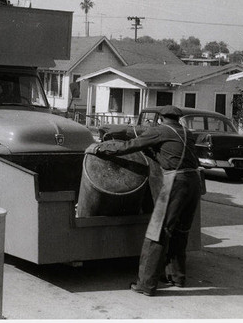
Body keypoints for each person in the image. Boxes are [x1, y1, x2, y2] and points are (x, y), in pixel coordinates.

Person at [86, 105, 201, 296]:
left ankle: (146, 284)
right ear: (177, 118)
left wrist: (101, 148)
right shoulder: (186, 133)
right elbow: (171, 153)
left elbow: (129, 146)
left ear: (161, 118)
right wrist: (153, 152)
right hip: (194, 181)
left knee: (158, 232)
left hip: (176, 180)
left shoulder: (159, 131)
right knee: (180, 230)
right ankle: (177, 277)